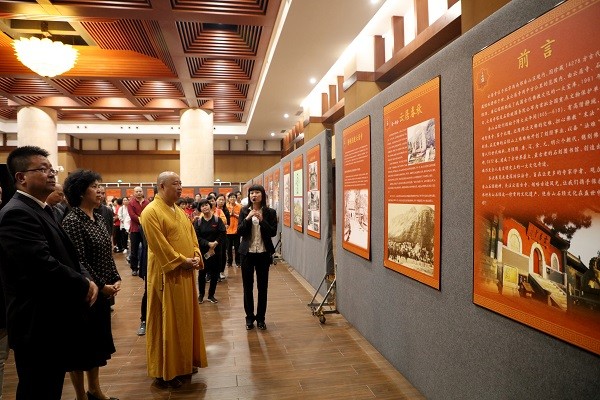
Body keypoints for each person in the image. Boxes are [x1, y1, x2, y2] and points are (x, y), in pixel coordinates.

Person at [0, 146, 98, 400]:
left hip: (50, 320)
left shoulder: (41, 208)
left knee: (49, 386)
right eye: (42, 169)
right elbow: (41, 264)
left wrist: (86, 276)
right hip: (35, 322)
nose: (51, 174)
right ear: (21, 177)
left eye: (51, 168)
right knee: (38, 389)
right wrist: (83, 284)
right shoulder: (17, 213)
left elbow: (68, 254)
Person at [140, 171, 207, 388]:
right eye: (175, 184)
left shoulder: (179, 210)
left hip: (186, 274)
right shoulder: (150, 212)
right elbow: (160, 246)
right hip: (167, 275)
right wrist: (182, 260)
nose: (180, 188)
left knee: (186, 319)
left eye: (181, 184)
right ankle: (165, 371)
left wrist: (196, 254)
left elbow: (191, 236)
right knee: (168, 322)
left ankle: (184, 363)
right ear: (161, 186)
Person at [62, 169, 122, 400]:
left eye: (101, 185)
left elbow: (107, 252)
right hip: (84, 293)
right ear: (80, 191)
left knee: (95, 345)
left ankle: (94, 389)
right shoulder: (73, 220)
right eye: (95, 186)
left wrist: (115, 277)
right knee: (80, 348)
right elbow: (78, 260)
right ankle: (81, 396)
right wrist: (100, 284)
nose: (100, 190)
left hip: (103, 292)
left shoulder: (99, 217)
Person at [237, 184, 277, 330]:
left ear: (262, 195)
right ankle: (249, 318)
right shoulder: (243, 211)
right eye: (251, 193)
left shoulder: (270, 212)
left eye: (257, 192)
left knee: (262, 287)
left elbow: (272, 232)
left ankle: (261, 318)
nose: (254, 195)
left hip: (263, 254)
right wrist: (247, 218)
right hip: (247, 254)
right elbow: (239, 231)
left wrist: (262, 220)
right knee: (247, 287)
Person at [194, 198, 226, 304]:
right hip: (203, 252)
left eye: (206, 205)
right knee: (202, 273)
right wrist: (208, 243)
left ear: (210, 206)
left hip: (217, 251)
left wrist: (215, 242)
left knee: (215, 273)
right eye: (202, 206)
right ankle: (201, 295)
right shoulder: (198, 222)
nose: (205, 207)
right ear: (200, 209)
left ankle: (211, 295)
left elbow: (222, 233)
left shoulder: (217, 220)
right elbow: (196, 237)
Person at [127, 186, 149, 276]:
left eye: (140, 191)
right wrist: (142, 219)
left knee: (146, 248)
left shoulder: (147, 202)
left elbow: (149, 213)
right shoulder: (131, 203)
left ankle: (145, 266)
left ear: (142, 192)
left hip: (145, 229)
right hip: (134, 229)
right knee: (134, 250)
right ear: (134, 193)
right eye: (137, 191)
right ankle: (134, 268)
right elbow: (132, 216)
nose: (139, 193)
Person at [225, 192, 241, 267]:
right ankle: (229, 262)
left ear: (236, 198)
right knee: (229, 248)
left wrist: (234, 214)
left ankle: (238, 262)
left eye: (234, 197)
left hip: (236, 230)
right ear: (228, 198)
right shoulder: (225, 207)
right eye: (231, 197)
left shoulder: (239, 206)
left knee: (237, 247)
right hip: (228, 230)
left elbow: (241, 217)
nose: (232, 198)